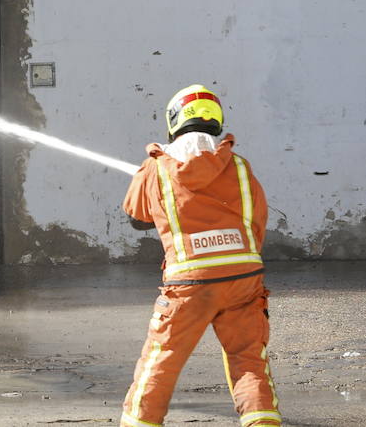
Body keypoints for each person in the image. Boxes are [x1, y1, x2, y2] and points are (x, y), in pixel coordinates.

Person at [120, 85, 280, 427]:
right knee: (248, 358)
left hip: (189, 282)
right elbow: (258, 218)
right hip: (243, 278)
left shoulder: (158, 166)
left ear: (174, 120)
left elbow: (136, 218)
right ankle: (262, 421)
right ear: (216, 119)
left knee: (162, 358)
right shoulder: (239, 166)